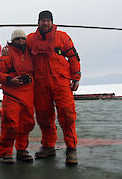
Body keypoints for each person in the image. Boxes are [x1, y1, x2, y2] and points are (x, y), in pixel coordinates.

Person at [26, 10, 81, 165]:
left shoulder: (62, 37)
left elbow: (73, 57)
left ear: (52, 22)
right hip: (40, 84)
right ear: (38, 22)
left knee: (67, 114)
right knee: (43, 116)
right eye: (42, 20)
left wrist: (76, 77)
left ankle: (71, 148)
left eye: (48, 20)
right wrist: (6, 53)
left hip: (61, 83)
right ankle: (48, 146)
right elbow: (21, 57)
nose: (45, 23)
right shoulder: (30, 40)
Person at [0, 29, 35, 164]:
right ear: (13, 41)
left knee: (27, 124)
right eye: (18, 39)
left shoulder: (31, 53)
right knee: (10, 125)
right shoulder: (7, 54)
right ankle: (5, 152)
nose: (21, 41)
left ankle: (22, 150)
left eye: (23, 39)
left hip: (28, 95)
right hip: (12, 95)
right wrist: (10, 80)